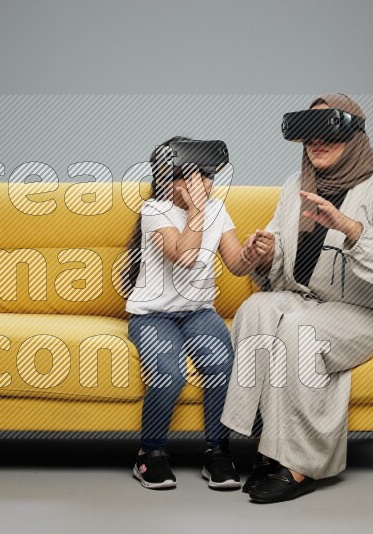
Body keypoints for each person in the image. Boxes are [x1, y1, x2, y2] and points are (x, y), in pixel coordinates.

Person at [221, 94, 373, 503]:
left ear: (355, 136)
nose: (315, 142)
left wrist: (349, 226)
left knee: (298, 331)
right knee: (256, 309)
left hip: (369, 313)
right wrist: (266, 253)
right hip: (309, 299)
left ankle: (301, 464)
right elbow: (281, 260)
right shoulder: (296, 185)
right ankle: (264, 441)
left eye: (326, 132)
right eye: (308, 135)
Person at [124, 136, 274, 490]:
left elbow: (237, 265)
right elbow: (184, 255)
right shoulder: (154, 212)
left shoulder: (218, 210)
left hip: (198, 312)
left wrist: (255, 252)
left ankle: (217, 451)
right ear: (166, 179)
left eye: (207, 177)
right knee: (169, 375)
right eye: (191, 178)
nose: (202, 185)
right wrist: (196, 212)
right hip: (153, 316)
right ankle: (151, 454)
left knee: (223, 367)